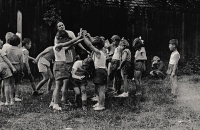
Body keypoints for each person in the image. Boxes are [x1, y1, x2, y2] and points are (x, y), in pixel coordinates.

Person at [49, 30, 83, 110]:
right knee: (59, 86)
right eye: (65, 39)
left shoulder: (60, 46)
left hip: (60, 65)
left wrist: (81, 39)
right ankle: (56, 104)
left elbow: (71, 45)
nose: (65, 41)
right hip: (60, 65)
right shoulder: (58, 45)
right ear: (60, 38)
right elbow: (68, 43)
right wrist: (78, 37)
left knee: (58, 86)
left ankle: (53, 102)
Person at [83, 32, 107, 111]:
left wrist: (83, 37)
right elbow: (92, 43)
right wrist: (89, 37)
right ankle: (99, 102)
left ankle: (101, 105)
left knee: (101, 90)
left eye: (95, 45)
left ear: (97, 46)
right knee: (98, 88)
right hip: (98, 71)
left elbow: (90, 45)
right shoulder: (99, 51)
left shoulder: (99, 52)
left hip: (100, 71)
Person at [6, 35, 23, 101]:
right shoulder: (19, 51)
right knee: (17, 82)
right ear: (18, 42)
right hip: (17, 66)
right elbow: (21, 62)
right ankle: (16, 96)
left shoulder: (8, 50)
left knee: (11, 82)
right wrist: (21, 70)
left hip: (10, 66)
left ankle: (11, 96)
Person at [0, 39, 16, 105]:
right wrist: (12, 67)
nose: (2, 46)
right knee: (7, 84)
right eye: (1, 45)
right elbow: (6, 60)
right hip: (3, 66)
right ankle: (9, 101)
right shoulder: (1, 51)